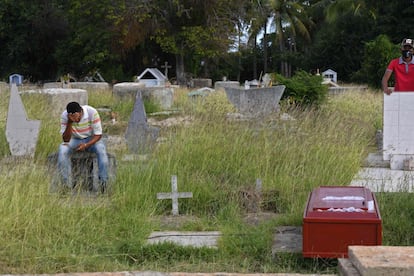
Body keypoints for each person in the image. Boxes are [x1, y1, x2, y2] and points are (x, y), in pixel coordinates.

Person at [57, 101, 109, 192]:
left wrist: (86, 145)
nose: (76, 120)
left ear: (80, 112)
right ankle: (66, 185)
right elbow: (65, 139)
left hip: (91, 139)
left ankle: (103, 183)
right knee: (62, 150)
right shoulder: (65, 116)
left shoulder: (92, 112)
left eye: (77, 118)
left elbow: (98, 135)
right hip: (74, 140)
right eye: (73, 118)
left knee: (101, 151)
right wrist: (69, 122)